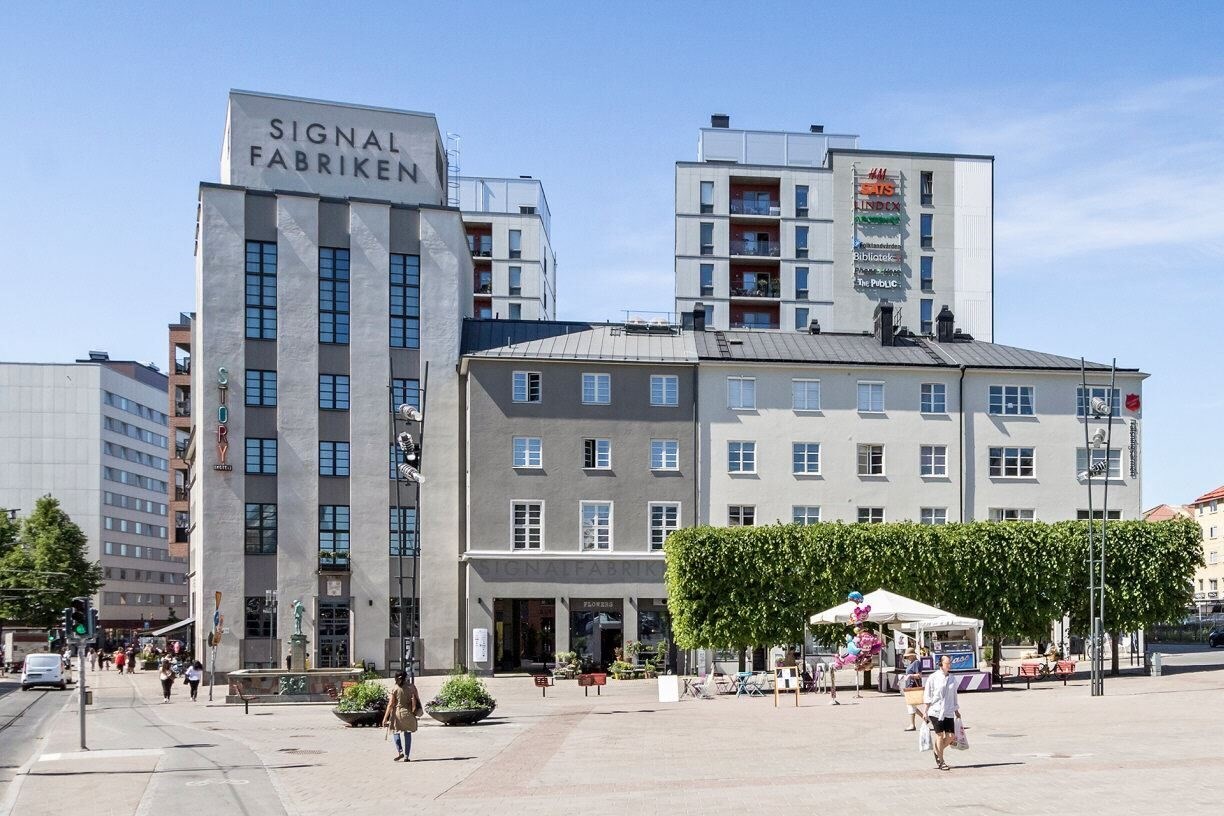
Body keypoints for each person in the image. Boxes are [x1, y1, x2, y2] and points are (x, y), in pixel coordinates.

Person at [923, 654, 961, 771]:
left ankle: (937, 751)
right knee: (939, 735)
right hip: (936, 710)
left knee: (950, 736)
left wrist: (956, 710)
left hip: (948, 710)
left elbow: (954, 695)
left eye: (950, 663)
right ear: (941, 664)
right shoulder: (933, 677)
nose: (949, 665)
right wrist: (925, 711)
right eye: (947, 663)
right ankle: (941, 761)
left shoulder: (952, 678)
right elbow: (928, 695)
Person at [381, 671, 423, 762]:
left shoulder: (395, 688)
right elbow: (417, 700)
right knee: (407, 733)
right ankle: (407, 756)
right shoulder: (412, 687)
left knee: (395, 731)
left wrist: (385, 718)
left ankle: (400, 751)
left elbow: (390, 705)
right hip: (409, 714)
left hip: (397, 714)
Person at [902, 649, 923, 732]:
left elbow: (919, 675)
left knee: (910, 705)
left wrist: (910, 675)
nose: (907, 658)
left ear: (913, 655)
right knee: (912, 705)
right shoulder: (912, 663)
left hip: (913, 686)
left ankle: (912, 725)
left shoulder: (916, 663)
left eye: (908, 656)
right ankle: (926, 718)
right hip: (910, 686)